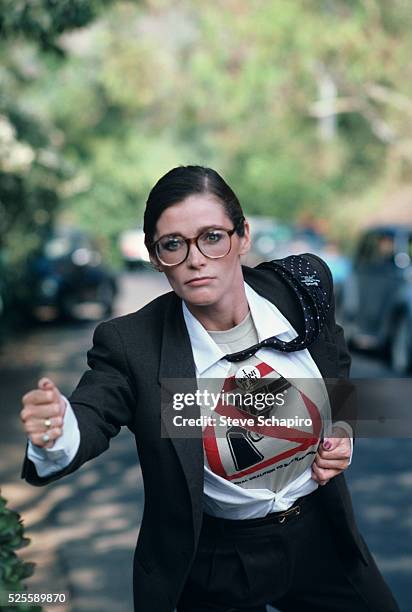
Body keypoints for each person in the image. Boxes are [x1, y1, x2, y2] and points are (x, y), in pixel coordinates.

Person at [20, 166, 399, 612]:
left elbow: (334, 359)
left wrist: (343, 428)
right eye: (173, 245)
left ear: (242, 237)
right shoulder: (132, 344)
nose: (195, 258)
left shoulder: (302, 285)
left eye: (212, 237)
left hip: (321, 534)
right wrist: (57, 431)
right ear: (155, 257)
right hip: (218, 558)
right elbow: (92, 414)